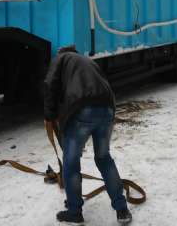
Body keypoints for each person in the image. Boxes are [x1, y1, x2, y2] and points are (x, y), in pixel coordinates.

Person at [43, 45, 132, 225]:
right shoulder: (88, 61)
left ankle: (75, 211)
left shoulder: (60, 58)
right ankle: (122, 210)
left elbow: (50, 84)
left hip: (82, 109)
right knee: (104, 158)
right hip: (107, 108)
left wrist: (49, 115)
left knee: (71, 163)